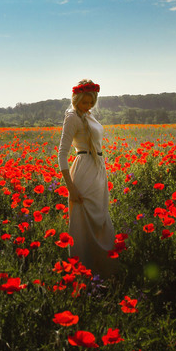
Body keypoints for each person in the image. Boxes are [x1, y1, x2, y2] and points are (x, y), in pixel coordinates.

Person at [57, 79, 117, 278]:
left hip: (98, 170)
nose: (89, 105)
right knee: (84, 221)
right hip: (83, 170)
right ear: (76, 99)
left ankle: (104, 271)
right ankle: (85, 273)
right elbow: (62, 154)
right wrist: (71, 187)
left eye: (92, 102)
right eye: (85, 102)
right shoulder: (72, 117)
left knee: (101, 220)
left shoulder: (88, 116)